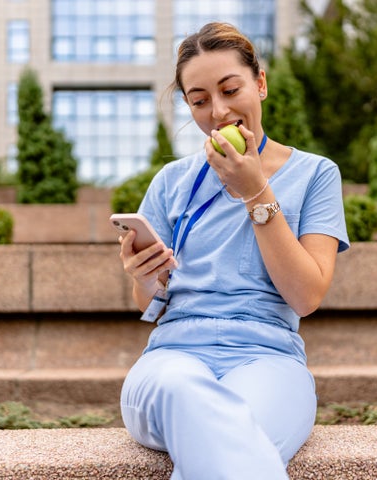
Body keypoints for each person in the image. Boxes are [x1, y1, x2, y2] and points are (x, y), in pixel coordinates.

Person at [116, 22, 350, 480]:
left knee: (230, 435)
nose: (218, 111)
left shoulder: (316, 174)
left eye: (230, 89)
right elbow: (148, 303)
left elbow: (306, 296)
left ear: (260, 84)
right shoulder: (170, 182)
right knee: (187, 393)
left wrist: (255, 191)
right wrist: (142, 276)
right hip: (171, 359)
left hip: (269, 360)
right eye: (200, 100)